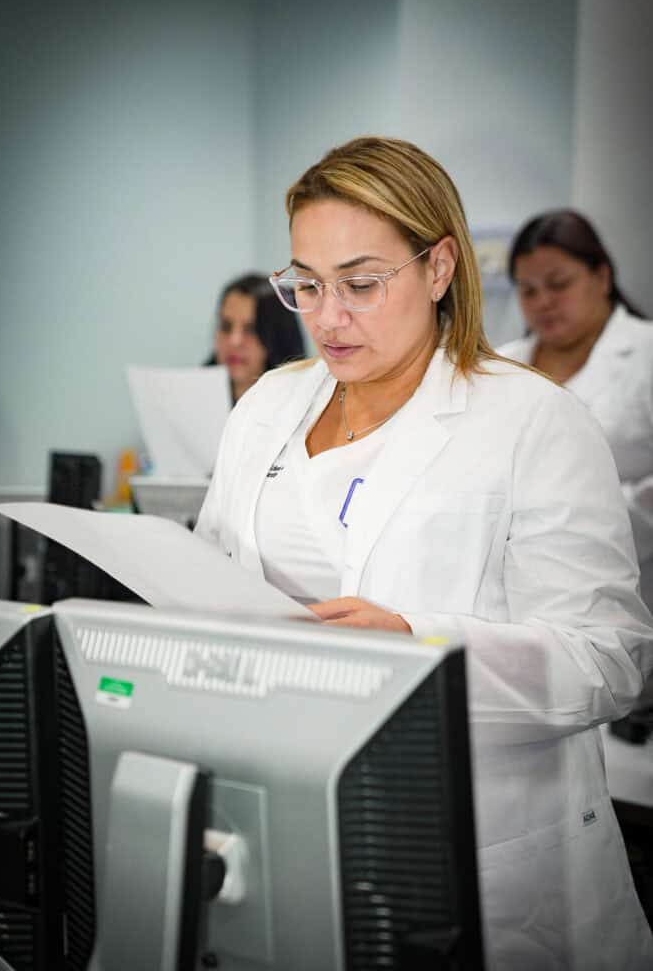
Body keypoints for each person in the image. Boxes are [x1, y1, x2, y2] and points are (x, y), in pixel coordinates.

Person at [197, 137, 653, 968]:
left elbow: (610, 659)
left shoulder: (531, 421)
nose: (327, 318)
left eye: (362, 284)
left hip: (490, 857)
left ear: (439, 267)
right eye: (306, 284)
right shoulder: (269, 405)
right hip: (292, 819)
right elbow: (207, 582)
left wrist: (414, 650)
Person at [498, 210, 653, 611]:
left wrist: (576, 521)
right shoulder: (500, 367)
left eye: (559, 284)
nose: (543, 302)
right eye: (528, 291)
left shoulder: (645, 354)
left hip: (630, 588)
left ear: (601, 277)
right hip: (517, 593)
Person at [207, 272, 306, 402]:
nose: (234, 341)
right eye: (226, 326)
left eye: (250, 329)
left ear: (279, 337)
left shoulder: (304, 403)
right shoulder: (190, 396)